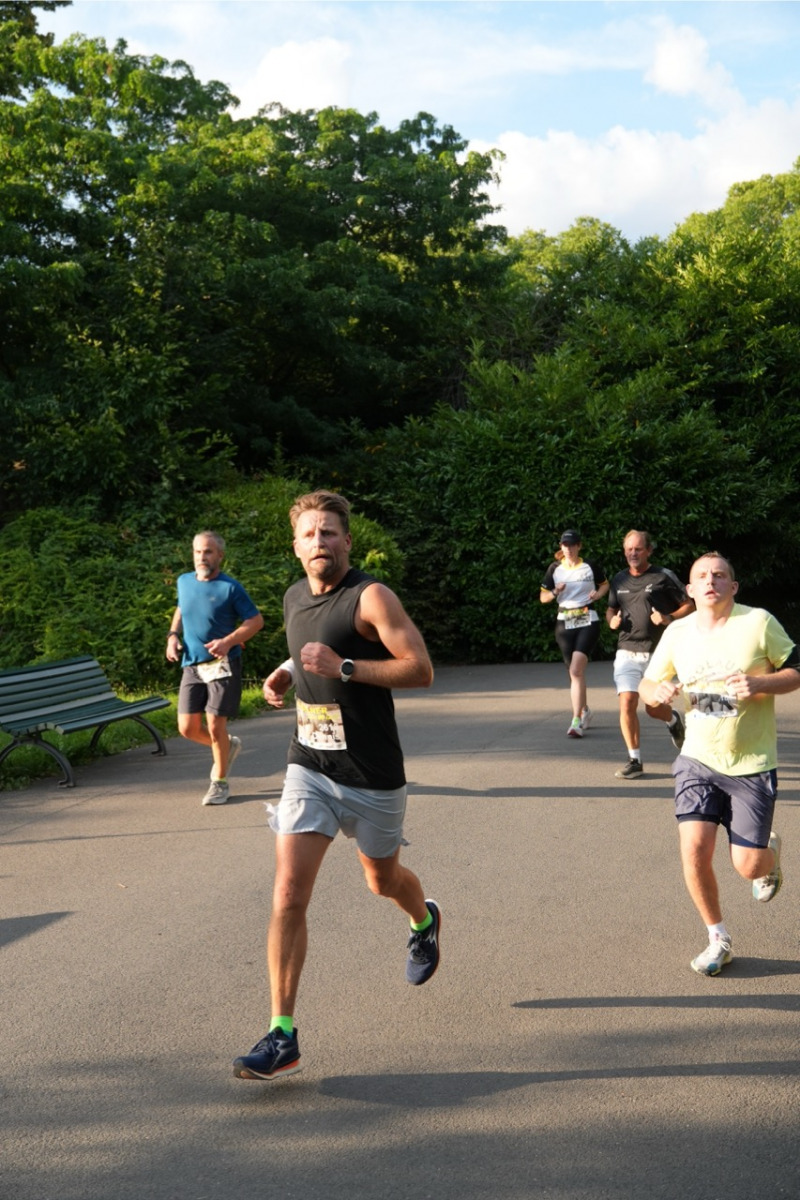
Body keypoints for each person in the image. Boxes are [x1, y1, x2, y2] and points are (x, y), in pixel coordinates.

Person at [234, 490, 439, 1081]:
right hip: (310, 766)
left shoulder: (371, 597)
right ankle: (282, 1035)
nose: (319, 542)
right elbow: (311, 649)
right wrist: (286, 670)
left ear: (347, 541)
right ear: (295, 546)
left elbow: (420, 669)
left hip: (372, 776)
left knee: (382, 881)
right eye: (309, 534)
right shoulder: (293, 596)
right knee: (288, 894)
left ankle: (424, 921)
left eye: (328, 533)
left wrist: (344, 668)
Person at [639, 552, 800, 977]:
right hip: (697, 758)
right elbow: (648, 683)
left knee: (748, 866)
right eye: (702, 576)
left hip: (751, 762)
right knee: (694, 847)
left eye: (720, 575)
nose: (711, 581)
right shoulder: (677, 632)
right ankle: (717, 938)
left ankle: (769, 855)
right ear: (690, 590)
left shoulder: (758, 622)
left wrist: (761, 682)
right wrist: (656, 694)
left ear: (733, 586)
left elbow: (796, 668)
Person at [167, 531, 264, 806]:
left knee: (214, 725)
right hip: (192, 664)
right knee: (187, 728)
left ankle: (220, 782)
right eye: (198, 552)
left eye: (208, 552)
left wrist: (228, 641)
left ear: (220, 555)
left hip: (223, 664)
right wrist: (172, 635)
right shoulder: (184, 581)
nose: (202, 557)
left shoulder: (230, 588)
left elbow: (255, 621)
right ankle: (226, 745)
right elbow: (181, 608)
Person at [606, 530, 694, 779]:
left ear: (648, 551)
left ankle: (672, 720)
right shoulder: (619, 579)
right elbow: (611, 609)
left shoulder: (663, 576)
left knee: (653, 709)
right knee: (627, 701)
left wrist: (668, 618)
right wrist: (612, 621)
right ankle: (634, 760)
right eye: (629, 549)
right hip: (627, 651)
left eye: (638, 549)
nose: (633, 553)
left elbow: (689, 605)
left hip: (658, 653)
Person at [540, 530, 609, 737]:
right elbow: (543, 597)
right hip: (564, 621)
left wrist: (597, 595)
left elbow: (605, 585)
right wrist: (555, 592)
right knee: (573, 673)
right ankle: (585, 710)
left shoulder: (589, 566)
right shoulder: (555, 568)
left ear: (579, 546)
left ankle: (576, 721)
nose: (568, 549)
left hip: (587, 618)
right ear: (561, 547)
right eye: (565, 545)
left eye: (572, 545)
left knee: (576, 670)